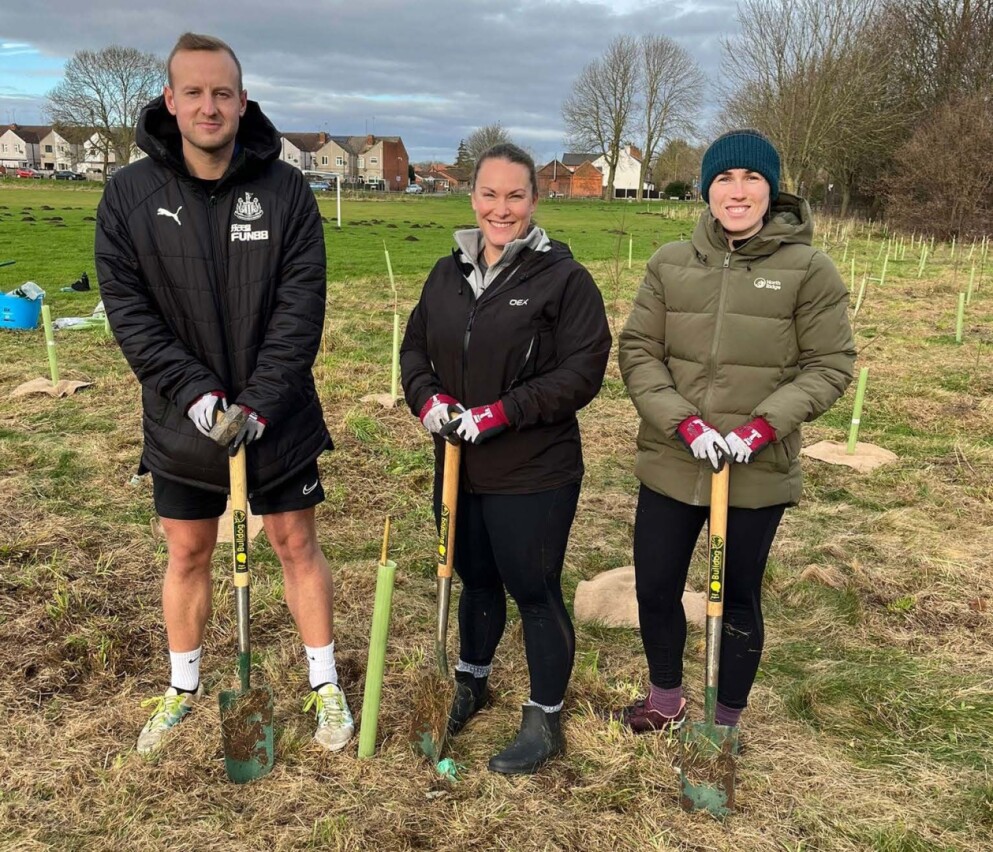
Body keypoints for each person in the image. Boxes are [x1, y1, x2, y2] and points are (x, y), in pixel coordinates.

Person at [95, 32, 353, 757]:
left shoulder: (286, 192)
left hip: (278, 417)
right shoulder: (128, 196)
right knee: (187, 551)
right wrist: (196, 396)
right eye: (195, 92)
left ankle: (324, 683)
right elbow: (129, 311)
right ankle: (182, 686)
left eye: (223, 93)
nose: (209, 106)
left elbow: (301, 307)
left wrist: (261, 401)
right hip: (183, 422)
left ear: (242, 102)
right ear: (170, 101)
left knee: (294, 541)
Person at [616, 129, 855, 735]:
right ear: (707, 189)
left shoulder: (808, 270)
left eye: (752, 178)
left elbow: (829, 365)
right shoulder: (671, 263)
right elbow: (640, 349)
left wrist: (761, 429)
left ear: (772, 189)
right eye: (725, 178)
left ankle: (724, 725)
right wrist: (683, 421)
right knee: (655, 585)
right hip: (673, 459)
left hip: (757, 471)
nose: (738, 190)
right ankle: (665, 699)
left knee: (739, 597)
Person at [400, 143, 611, 774]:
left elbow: (582, 371)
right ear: (472, 198)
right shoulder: (447, 274)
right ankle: (471, 679)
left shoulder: (564, 281)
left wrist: (503, 411)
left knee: (533, 586)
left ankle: (545, 715)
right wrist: (426, 399)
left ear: (534, 201)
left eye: (514, 195)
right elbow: (414, 348)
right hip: (458, 464)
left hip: (533, 468)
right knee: (475, 576)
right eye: (489, 194)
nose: (501, 208)